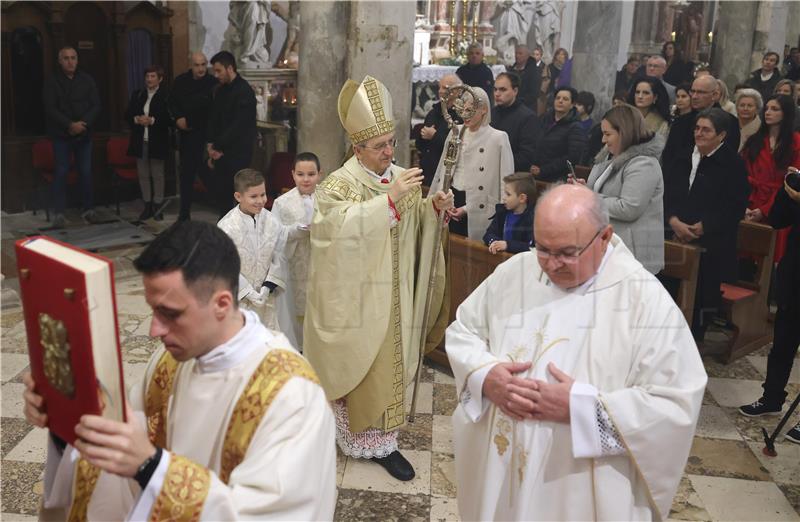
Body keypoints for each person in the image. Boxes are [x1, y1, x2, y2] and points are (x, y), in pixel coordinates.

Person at [25, 220, 337, 520]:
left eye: (170, 314)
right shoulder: (171, 361)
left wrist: (151, 466)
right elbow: (125, 452)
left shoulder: (291, 396)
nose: (154, 330)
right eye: (153, 310)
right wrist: (67, 418)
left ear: (222, 304)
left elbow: (268, 515)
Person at [447, 183, 707, 521]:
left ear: (604, 237)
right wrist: (485, 376)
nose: (551, 265)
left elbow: (675, 404)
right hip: (501, 475)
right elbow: (464, 331)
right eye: (542, 248)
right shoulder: (516, 272)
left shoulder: (643, 299)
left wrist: (582, 408)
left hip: (577, 492)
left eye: (567, 253)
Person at [304, 75, 454, 481]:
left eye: (392, 142)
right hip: (358, 301)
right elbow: (332, 235)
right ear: (358, 148)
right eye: (380, 146)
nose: (390, 151)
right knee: (364, 368)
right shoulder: (337, 185)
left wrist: (432, 208)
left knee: (392, 365)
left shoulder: (400, 175)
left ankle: (384, 444)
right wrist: (387, 201)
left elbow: (412, 223)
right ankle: (357, 441)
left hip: (396, 292)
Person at [663, 108, 751, 342]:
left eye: (706, 130)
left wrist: (704, 226)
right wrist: (673, 220)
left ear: (721, 136)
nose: (699, 134)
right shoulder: (682, 156)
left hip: (712, 242)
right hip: (675, 235)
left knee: (703, 297)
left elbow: (735, 206)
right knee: (668, 290)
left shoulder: (733, 164)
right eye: (697, 128)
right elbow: (665, 193)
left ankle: (694, 341)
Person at [737, 171, 800, 445]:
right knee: (783, 343)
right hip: (795, 275)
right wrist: (789, 194)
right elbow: (778, 220)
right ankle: (771, 397)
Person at [218, 168, 302, 347]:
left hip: (266, 298)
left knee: (268, 345)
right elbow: (223, 265)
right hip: (239, 299)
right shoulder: (226, 227)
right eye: (253, 196)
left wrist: (267, 286)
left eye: (263, 194)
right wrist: (247, 291)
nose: (260, 201)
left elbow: (278, 253)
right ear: (238, 197)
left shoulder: (271, 221)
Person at [586, 104, 665, 273]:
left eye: (608, 134)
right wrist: (582, 189)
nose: (603, 140)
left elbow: (629, 208)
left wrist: (588, 198)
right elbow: (600, 192)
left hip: (632, 254)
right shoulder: (610, 157)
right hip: (609, 247)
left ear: (624, 132)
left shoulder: (643, 163)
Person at [431, 87, 514, 240]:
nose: (465, 115)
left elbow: (506, 180)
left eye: (470, 110)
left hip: (479, 204)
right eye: (463, 109)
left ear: (483, 110)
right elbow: (443, 169)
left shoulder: (498, 138)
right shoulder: (455, 131)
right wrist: (439, 196)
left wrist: (503, 211)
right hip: (453, 197)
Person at [42, 46, 102, 229]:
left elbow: (96, 105)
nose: (70, 61)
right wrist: (70, 125)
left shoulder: (87, 79)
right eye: (66, 58)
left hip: (84, 133)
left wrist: (83, 123)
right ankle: (59, 212)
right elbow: (50, 108)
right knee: (61, 172)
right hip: (62, 134)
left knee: (85, 172)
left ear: (77, 60)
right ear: (60, 61)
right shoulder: (52, 81)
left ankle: (88, 209)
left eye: (73, 58)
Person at [741, 94, 800, 263]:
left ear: (786, 113)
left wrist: (765, 210)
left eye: (774, 109)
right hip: (752, 200)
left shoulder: (796, 142)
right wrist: (745, 205)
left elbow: (792, 181)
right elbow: (743, 175)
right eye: (766, 108)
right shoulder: (755, 140)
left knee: (773, 256)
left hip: (779, 203)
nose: (768, 112)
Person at [272, 152, 322, 346]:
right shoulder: (281, 203)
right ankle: (299, 346)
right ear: (293, 174)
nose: (306, 179)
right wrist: (295, 231)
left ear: (320, 174)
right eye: (300, 174)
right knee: (297, 306)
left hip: (321, 262)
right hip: (295, 263)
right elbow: (275, 234)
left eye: (311, 174)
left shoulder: (329, 199)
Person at [169, 52, 218, 221]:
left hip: (206, 135)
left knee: (208, 172)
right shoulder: (181, 81)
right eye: (197, 65)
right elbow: (172, 103)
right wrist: (178, 119)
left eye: (203, 64)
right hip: (187, 136)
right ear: (191, 65)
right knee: (186, 174)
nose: (201, 69)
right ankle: (184, 213)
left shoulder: (213, 83)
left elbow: (210, 110)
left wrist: (189, 120)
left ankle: (222, 208)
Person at [207, 51, 257, 218]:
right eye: (214, 71)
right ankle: (224, 233)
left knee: (237, 197)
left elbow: (239, 126)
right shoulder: (220, 91)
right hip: (220, 152)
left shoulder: (244, 91)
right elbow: (214, 119)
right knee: (222, 196)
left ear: (229, 68)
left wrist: (218, 146)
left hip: (237, 153)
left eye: (219, 71)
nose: (216, 75)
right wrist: (211, 144)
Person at [662, 75, 741, 170]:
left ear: (715, 95)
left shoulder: (730, 122)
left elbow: (728, 157)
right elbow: (669, 156)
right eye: (693, 91)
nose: (694, 96)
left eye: (700, 92)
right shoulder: (680, 122)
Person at [125, 65, 170, 222]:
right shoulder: (138, 94)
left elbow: (168, 118)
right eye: (147, 76)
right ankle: (147, 205)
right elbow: (128, 114)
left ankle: (158, 205)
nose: (149, 79)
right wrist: (137, 119)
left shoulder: (165, 95)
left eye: (152, 76)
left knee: (157, 174)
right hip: (140, 140)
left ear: (160, 79)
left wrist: (152, 120)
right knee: (143, 174)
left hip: (157, 140)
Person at [530, 86, 586, 182]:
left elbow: (572, 158)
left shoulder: (575, 127)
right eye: (558, 98)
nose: (560, 101)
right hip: (535, 173)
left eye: (565, 99)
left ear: (572, 104)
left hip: (557, 178)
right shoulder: (544, 119)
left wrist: (543, 170)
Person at [416, 74, 463, 186]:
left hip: (447, 173)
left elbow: (459, 146)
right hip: (428, 170)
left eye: (445, 88)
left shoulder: (460, 115)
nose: (440, 91)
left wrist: (434, 136)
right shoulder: (434, 111)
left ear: (457, 91)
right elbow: (421, 143)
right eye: (439, 87)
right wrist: (422, 135)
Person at [490, 72, 541, 173]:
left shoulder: (528, 117)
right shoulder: (492, 113)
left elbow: (526, 157)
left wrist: (495, 162)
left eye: (503, 89)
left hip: (513, 176)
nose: (497, 94)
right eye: (495, 89)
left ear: (515, 91)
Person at [482, 172, 536, 254]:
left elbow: (531, 246)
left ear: (522, 198)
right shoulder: (502, 212)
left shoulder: (533, 219)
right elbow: (489, 233)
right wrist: (494, 242)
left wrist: (508, 245)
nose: (503, 198)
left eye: (508, 194)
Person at [456, 42, 495, 107]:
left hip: (481, 104)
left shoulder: (487, 72)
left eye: (477, 53)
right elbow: (457, 89)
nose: (474, 56)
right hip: (463, 103)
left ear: (482, 56)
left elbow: (488, 93)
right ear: (467, 56)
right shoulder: (461, 71)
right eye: (471, 53)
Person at [508, 45, 542, 111]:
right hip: (511, 107)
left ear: (527, 55)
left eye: (520, 53)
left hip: (527, 108)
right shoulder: (511, 70)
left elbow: (534, 93)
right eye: (516, 53)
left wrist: (517, 101)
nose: (517, 56)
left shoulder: (534, 71)